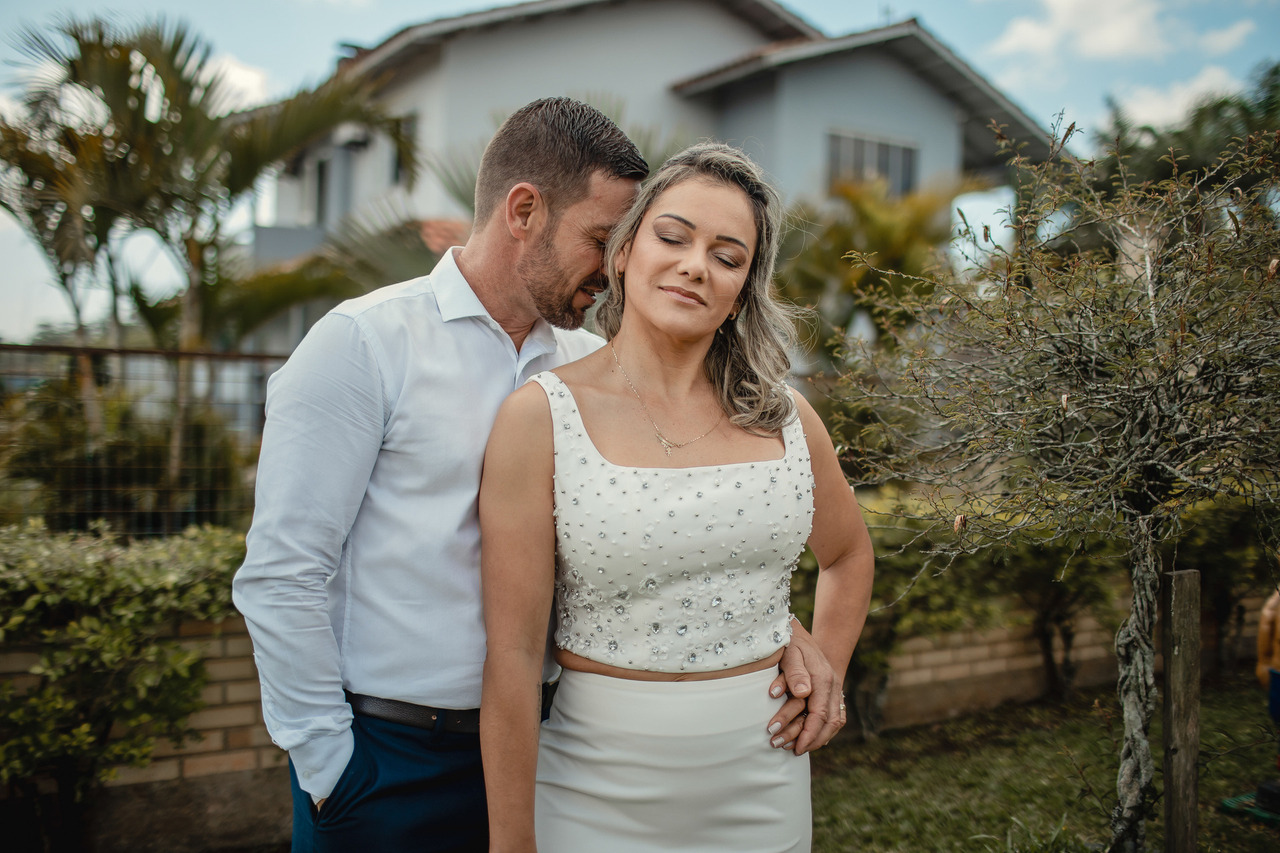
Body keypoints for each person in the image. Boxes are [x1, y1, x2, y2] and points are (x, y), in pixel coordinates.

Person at [232, 99, 838, 853]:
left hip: (547, 745)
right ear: (524, 210)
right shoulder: (364, 344)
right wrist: (330, 765)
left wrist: (777, 627)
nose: (614, 265)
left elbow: (660, 533)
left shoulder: (582, 367)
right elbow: (283, 572)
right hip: (389, 759)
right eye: (599, 238)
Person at [479, 142, 876, 852]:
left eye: (728, 256)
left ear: (742, 289)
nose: (697, 264)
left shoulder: (787, 418)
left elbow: (847, 553)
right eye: (673, 236)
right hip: (594, 791)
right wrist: (512, 842)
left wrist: (830, 671)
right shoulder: (539, 417)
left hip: (764, 782)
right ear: (624, 252)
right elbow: (510, 654)